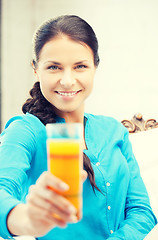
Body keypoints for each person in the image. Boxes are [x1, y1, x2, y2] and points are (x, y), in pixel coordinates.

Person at [0, 15, 157, 240]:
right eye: (54, 67)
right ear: (35, 69)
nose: (67, 80)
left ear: (95, 66)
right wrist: (25, 219)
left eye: (80, 66)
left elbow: (142, 212)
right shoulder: (26, 131)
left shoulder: (113, 131)